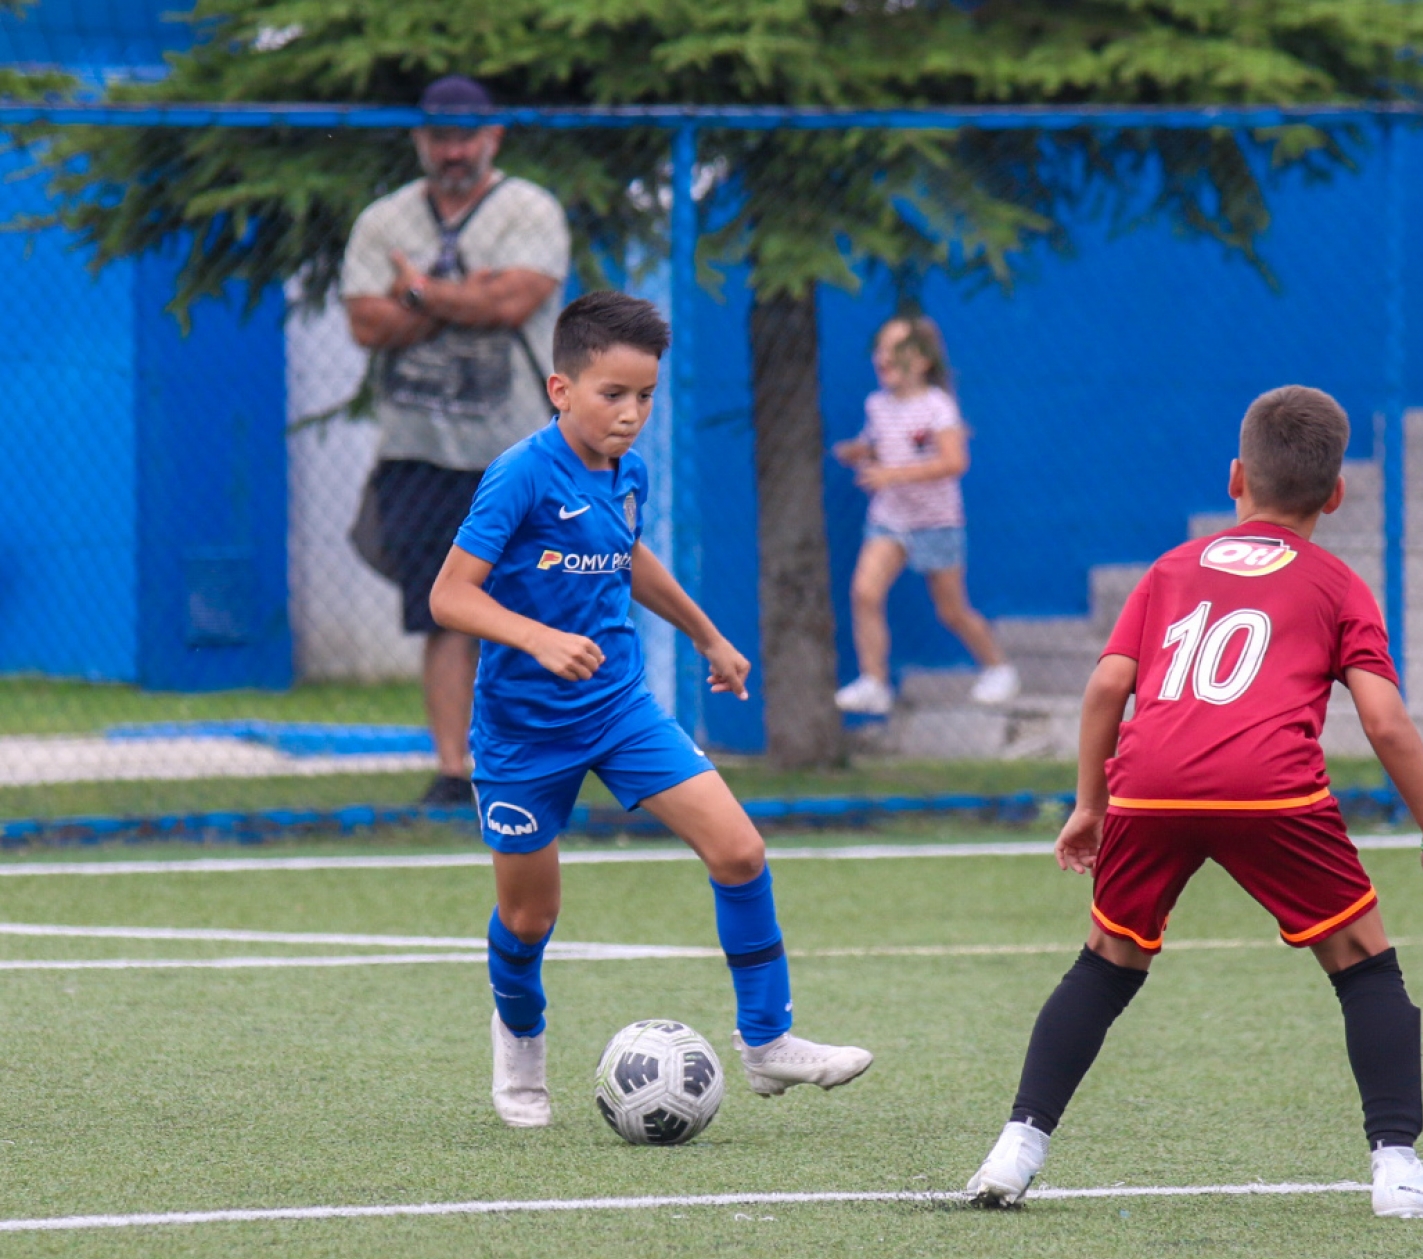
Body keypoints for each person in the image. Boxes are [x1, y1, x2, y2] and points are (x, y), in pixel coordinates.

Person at [963, 386, 1423, 1219]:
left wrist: (1090, 802)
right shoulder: (1338, 583)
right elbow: (1385, 722)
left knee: (1106, 961)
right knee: (1363, 959)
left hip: (1149, 784)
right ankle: (1398, 1167)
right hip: (1271, 788)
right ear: (1336, 494)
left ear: (1236, 476)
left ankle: (1014, 1150)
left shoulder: (1171, 569)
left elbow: (1105, 688)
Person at [429, 291, 872, 1128]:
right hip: (524, 731)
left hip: (619, 707)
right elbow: (450, 595)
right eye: (613, 395)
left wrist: (708, 634)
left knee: (739, 850)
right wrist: (537, 638)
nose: (632, 414)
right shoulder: (521, 474)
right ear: (561, 389)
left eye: (645, 396)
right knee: (529, 917)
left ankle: (767, 1041)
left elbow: (627, 554)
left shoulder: (626, 470)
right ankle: (520, 1039)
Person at [343, 74, 571, 805]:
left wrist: (416, 293)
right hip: (419, 451)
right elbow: (365, 323)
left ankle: (541, 760)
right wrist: (463, 298)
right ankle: (454, 769)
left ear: (492, 137)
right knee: (442, 612)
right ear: (421, 139)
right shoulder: (384, 220)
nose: (452, 152)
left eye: (465, 138)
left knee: (537, 606)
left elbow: (512, 303)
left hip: (517, 452)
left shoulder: (528, 210)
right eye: (439, 137)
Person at [831, 314, 1018, 715]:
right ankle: (874, 683)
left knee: (951, 610)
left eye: (896, 350)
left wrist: (891, 474)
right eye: (880, 348)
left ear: (922, 361)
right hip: (890, 518)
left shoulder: (938, 407)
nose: (883, 357)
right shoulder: (876, 405)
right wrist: (860, 452)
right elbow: (880, 444)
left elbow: (954, 461)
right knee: (864, 592)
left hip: (937, 523)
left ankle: (998, 668)